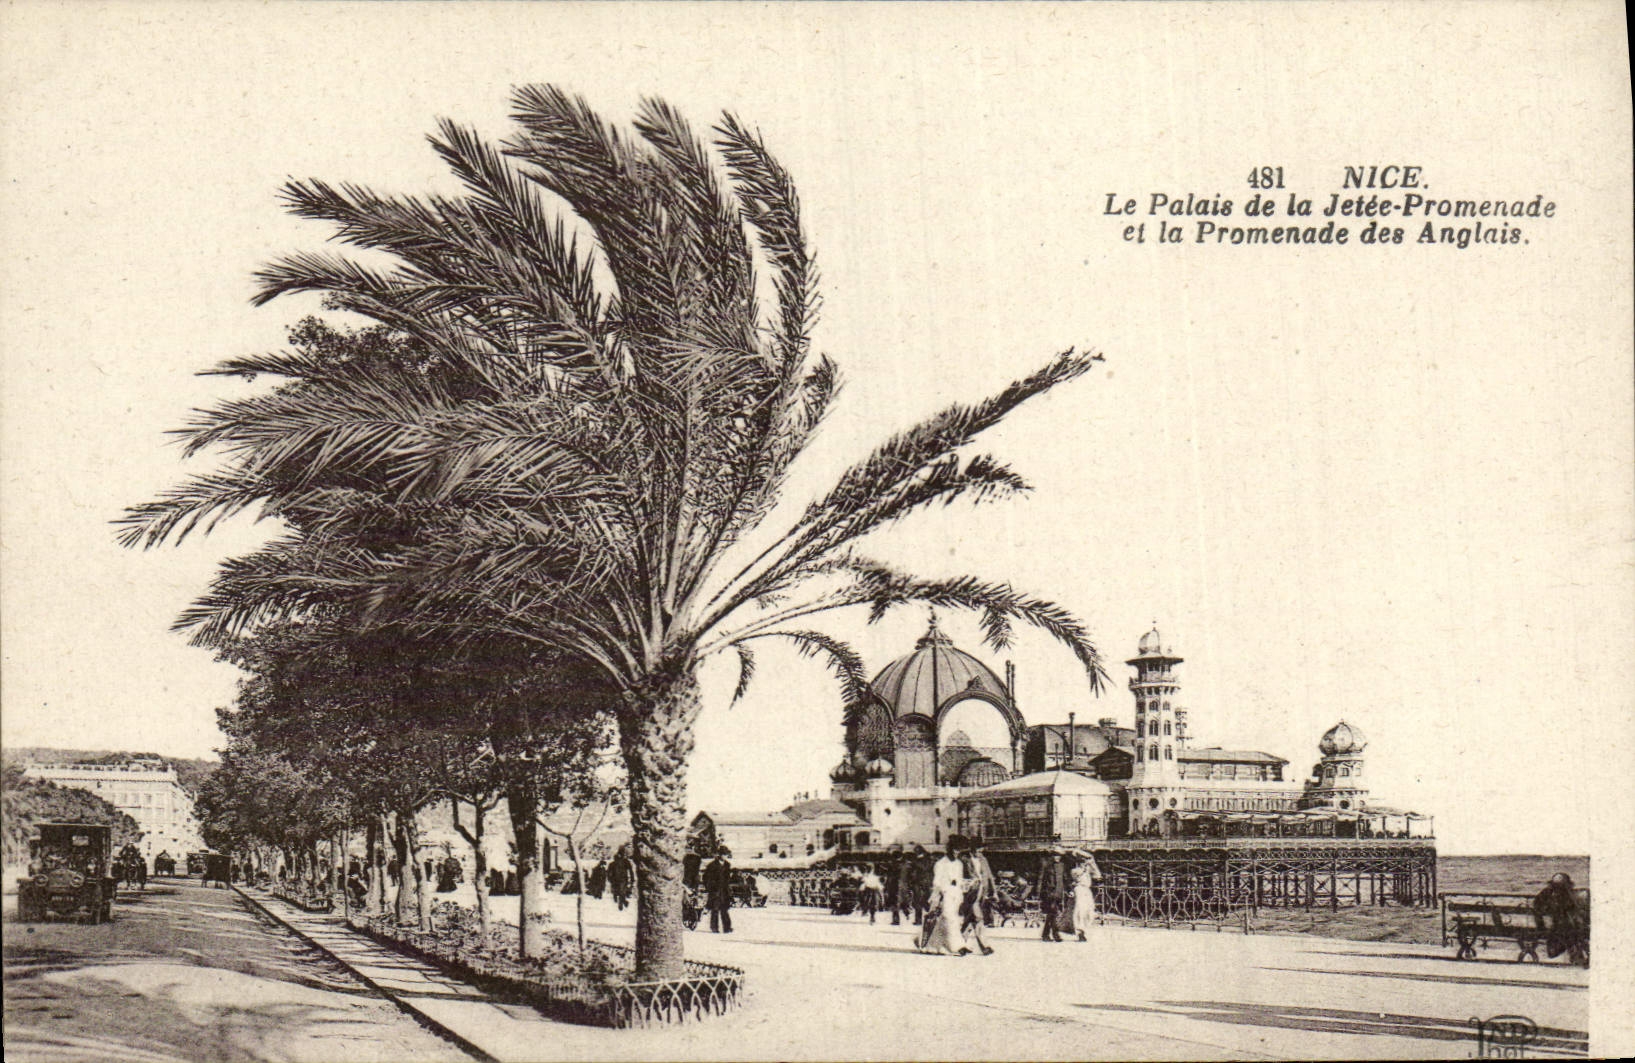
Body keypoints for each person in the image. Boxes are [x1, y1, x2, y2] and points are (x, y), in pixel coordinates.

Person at [919, 839, 971, 955]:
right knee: (949, 918)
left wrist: (965, 886)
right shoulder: (940, 864)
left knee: (946, 920)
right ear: (949, 849)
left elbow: (960, 879)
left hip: (956, 894)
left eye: (959, 851)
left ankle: (933, 946)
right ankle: (957, 946)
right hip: (944, 894)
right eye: (954, 850)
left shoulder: (959, 864)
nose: (957, 853)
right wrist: (944, 890)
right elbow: (936, 881)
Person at [1533, 872, 1589, 964]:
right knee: (1573, 936)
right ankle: (1578, 959)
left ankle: (1578, 958)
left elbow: (1537, 907)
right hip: (1565, 930)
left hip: (1556, 930)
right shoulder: (1568, 895)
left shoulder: (1547, 893)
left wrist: (1542, 923)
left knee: (1569, 937)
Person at [956, 841, 994, 955]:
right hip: (969, 893)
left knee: (970, 919)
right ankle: (984, 947)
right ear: (972, 850)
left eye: (981, 850)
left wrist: (994, 891)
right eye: (978, 850)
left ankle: (960, 945)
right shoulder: (963, 859)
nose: (980, 853)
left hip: (981, 892)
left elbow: (989, 876)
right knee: (977, 918)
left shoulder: (983, 859)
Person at [1069, 849, 1102, 941]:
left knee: (1089, 910)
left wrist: (1093, 864)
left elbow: (1098, 876)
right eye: (1082, 861)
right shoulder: (1075, 870)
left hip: (1087, 890)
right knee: (1080, 910)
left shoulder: (1088, 869)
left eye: (1085, 861)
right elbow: (1076, 876)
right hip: (1079, 889)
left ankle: (1084, 930)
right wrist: (1086, 867)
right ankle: (1079, 931)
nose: (1084, 863)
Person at [703, 846, 734, 933]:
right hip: (715, 891)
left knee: (724, 909)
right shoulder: (712, 865)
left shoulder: (727, 865)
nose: (725, 856)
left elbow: (728, 879)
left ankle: (727, 927)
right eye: (724, 854)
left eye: (726, 855)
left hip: (724, 891)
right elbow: (706, 878)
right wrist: (710, 888)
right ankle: (714, 927)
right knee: (715, 909)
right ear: (719, 855)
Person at [1038, 851, 1068, 942]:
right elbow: (1040, 878)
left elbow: (1065, 878)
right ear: (1052, 856)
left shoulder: (1062, 866)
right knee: (1053, 912)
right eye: (1055, 855)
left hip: (1059, 893)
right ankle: (1055, 934)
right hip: (1049, 893)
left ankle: (1045, 934)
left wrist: (1069, 890)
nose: (1057, 857)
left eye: (1059, 855)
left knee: (1052, 914)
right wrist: (1039, 892)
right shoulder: (1046, 865)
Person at [909, 845, 933, 926]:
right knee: (919, 900)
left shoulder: (924, 860)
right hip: (922, 882)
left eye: (916, 851)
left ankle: (925, 918)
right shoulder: (925, 859)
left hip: (922, 882)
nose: (915, 853)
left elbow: (924, 868)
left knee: (922, 900)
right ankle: (919, 919)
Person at [890, 846, 911, 925]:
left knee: (895, 902)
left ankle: (896, 920)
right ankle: (906, 912)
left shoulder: (896, 865)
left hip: (896, 885)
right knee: (902, 901)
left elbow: (893, 875)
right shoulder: (906, 864)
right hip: (904, 884)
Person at [608, 846, 634, 910]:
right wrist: (632, 879)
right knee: (621, 891)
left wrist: (610, 878)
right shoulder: (625, 861)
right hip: (622, 879)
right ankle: (623, 901)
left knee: (620, 891)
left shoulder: (619, 861)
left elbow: (609, 871)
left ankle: (622, 902)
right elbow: (630, 871)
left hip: (618, 879)